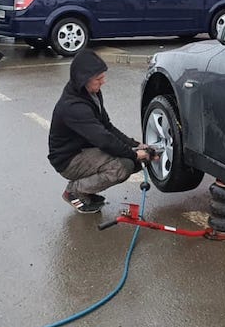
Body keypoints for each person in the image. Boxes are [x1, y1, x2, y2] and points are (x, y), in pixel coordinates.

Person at [48, 50, 154, 213]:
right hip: (68, 160)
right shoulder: (74, 107)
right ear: (83, 79)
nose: (103, 81)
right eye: (98, 79)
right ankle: (75, 191)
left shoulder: (91, 93)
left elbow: (107, 127)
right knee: (123, 166)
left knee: (134, 161)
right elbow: (104, 139)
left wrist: (137, 145)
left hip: (84, 150)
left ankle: (86, 190)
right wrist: (133, 154)